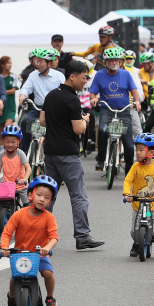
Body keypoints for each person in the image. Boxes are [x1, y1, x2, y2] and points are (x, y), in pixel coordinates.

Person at [40, 60, 104, 250]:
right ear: (72, 76)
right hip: (68, 153)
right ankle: (82, 236)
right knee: (78, 195)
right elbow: (78, 130)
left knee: (47, 195)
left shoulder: (51, 95)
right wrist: (84, 120)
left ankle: (40, 233)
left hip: (50, 152)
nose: (85, 82)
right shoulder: (72, 99)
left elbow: (43, 121)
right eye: (84, 77)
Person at [0, 175, 59, 306]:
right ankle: (12, 295)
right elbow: (7, 232)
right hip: (20, 254)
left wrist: (47, 248)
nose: (42, 199)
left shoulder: (49, 218)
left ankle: (50, 298)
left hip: (39, 254)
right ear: (30, 195)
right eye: (39, 195)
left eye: (47, 197)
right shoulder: (20, 214)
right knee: (15, 276)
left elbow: (54, 237)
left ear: (50, 201)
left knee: (48, 274)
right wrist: (4, 247)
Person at [90, 47, 141, 172]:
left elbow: (134, 92)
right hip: (107, 110)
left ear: (120, 61)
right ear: (105, 62)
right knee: (102, 130)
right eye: (111, 60)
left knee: (129, 145)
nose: (114, 63)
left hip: (124, 110)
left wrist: (137, 102)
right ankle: (101, 160)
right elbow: (92, 92)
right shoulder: (99, 75)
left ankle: (129, 171)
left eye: (116, 60)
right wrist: (93, 99)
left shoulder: (126, 74)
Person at [122, 133, 154, 257]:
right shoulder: (135, 167)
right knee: (133, 230)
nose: (137, 152)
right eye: (137, 149)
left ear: (151, 153)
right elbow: (128, 180)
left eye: (141, 150)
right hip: (138, 204)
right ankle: (136, 243)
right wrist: (127, 194)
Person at [19, 48, 65, 152]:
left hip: (53, 109)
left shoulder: (59, 76)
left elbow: (65, 92)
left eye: (41, 61)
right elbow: (26, 88)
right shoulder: (33, 75)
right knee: (25, 122)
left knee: (55, 131)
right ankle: (25, 152)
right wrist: (22, 95)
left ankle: (54, 153)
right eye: (37, 61)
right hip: (38, 108)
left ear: (49, 63)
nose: (38, 64)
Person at [0, 125, 31, 206]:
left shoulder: (20, 153)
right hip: (7, 186)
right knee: (1, 204)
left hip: (21, 186)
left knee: (28, 205)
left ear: (18, 142)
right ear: (3, 141)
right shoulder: (1, 155)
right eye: (7, 142)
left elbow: (28, 168)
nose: (10, 144)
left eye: (13, 142)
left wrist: (24, 179)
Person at [0, 56, 19, 152]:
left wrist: (1, 92)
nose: (10, 65)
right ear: (2, 64)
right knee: (0, 132)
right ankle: (0, 155)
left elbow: (13, 91)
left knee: (6, 130)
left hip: (10, 107)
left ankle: (9, 152)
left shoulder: (13, 76)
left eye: (11, 63)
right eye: (8, 63)